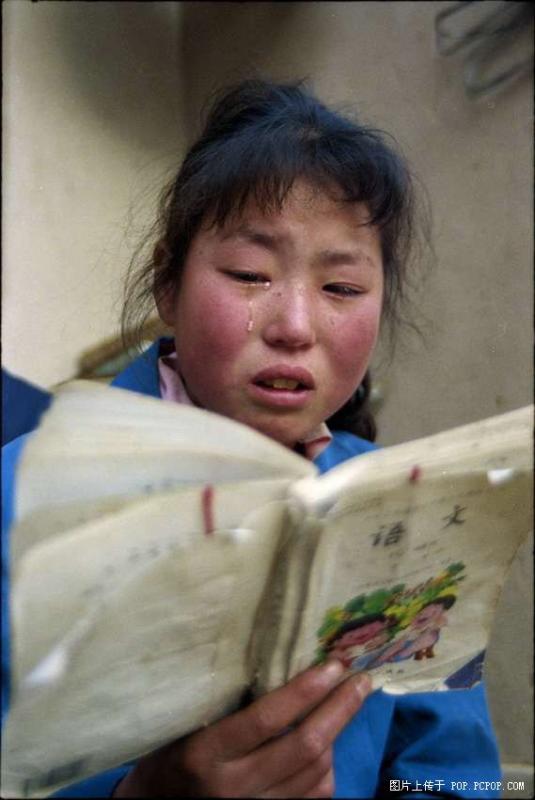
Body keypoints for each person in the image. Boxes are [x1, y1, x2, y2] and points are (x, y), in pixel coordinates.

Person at [2, 78, 502, 798]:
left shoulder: (409, 511)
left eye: (341, 288)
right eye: (249, 274)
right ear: (167, 284)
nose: (294, 325)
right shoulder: (20, 494)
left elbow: (453, 775)